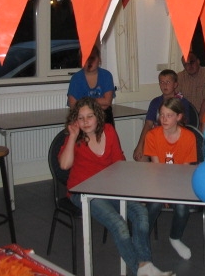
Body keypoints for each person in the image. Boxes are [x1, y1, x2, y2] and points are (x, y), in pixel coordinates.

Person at [58, 97, 174, 276]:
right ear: (75, 120)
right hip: (82, 192)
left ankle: (145, 265)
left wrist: (130, 188)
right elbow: (64, 165)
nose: (85, 122)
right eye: (81, 118)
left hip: (109, 188)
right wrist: (72, 137)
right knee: (118, 224)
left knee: (141, 213)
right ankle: (140, 269)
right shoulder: (76, 138)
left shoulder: (109, 131)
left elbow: (118, 163)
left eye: (90, 116)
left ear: (98, 116)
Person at [144, 98, 197, 260]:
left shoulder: (189, 137)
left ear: (178, 117)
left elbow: (184, 171)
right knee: (153, 205)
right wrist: (164, 193)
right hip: (158, 181)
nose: (164, 119)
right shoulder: (152, 135)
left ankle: (175, 237)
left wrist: (171, 193)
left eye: (169, 115)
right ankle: (141, 237)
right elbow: (156, 169)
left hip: (179, 183)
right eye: (162, 115)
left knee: (181, 207)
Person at [133, 69, 191, 161]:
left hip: (175, 140)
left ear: (175, 84)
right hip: (156, 139)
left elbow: (183, 125)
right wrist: (140, 145)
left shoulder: (182, 102)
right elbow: (148, 124)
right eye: (162, 82)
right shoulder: (155, 102)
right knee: (140, 158)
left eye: (168, 82)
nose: (165, 85)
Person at [67, 45, 116, 125]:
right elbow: (73, 105)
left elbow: (107, 102)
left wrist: (84, 102)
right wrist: (98, 102)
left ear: (99, 59)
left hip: (104, 117)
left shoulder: (106, 75)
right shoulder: (76, 78)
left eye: (92, 58)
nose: (89, 62)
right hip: (82, 119)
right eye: (86, 58)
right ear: (81, 60)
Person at [177, 51, 205, 122]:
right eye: (186, 64)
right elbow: (176, 99)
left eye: (191, 62)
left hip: (204, 114)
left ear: (198, 61)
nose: (189, 66)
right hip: (184, 115)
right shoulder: (179, 77)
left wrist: (199, 120)